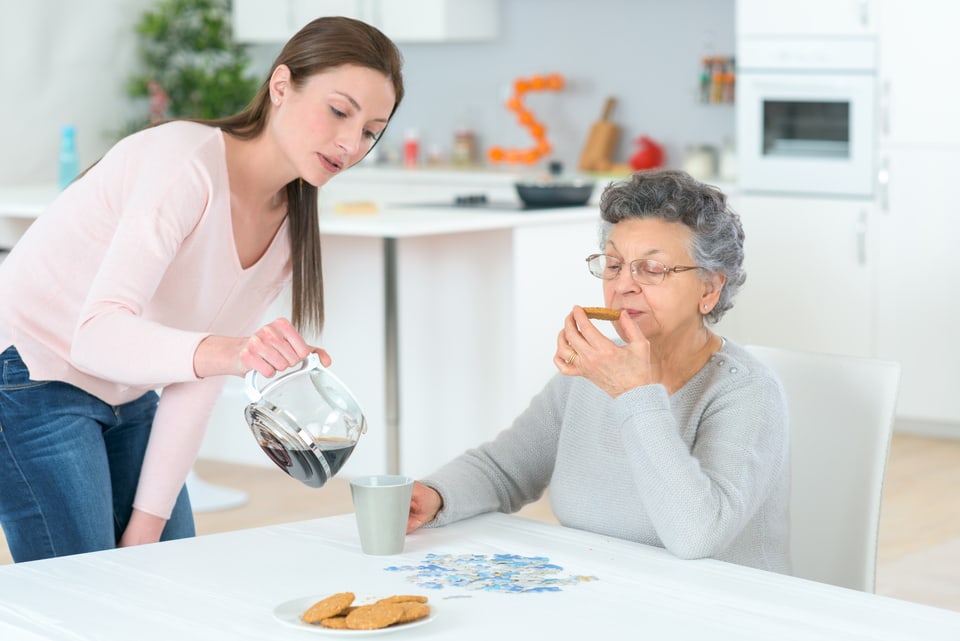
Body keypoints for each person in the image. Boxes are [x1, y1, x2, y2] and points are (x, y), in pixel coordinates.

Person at [0, 16, 404, 563]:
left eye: (371, 132)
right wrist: (236, 352)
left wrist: (146, 535)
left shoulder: (289, 229)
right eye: (339, 111)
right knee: (81, 590)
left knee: (168, 570)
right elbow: (94, 336)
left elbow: (199, 378)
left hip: (125, 387)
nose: (350, 143)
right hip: (30, 372)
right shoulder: (183, 164)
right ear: (280, 86)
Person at [407, 169, 791, 573]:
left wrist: (632, 396)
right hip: (604, 597)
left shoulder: (749, 394)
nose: (623, 284)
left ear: (709, 289)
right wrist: (435, 495)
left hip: (722, 613)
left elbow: (696, 536)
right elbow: (504, 470)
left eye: (652, 269)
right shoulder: (595, 373)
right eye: (613, 264)